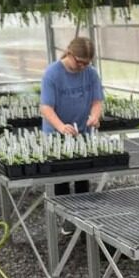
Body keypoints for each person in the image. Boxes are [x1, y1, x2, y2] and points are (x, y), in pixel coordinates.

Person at [40, 37, 103, 196]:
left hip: (82, 132)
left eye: (86, 63)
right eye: (79, 62)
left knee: (82, 177)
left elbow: (97, 101)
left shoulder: (91, 73)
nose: (82, 66)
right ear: (69, 53)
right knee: (61, 178)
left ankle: (82, 213)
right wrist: (61, 127)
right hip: (56, 135)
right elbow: (46, 107)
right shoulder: (52, 73)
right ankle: (63, 216)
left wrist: (94, 116)